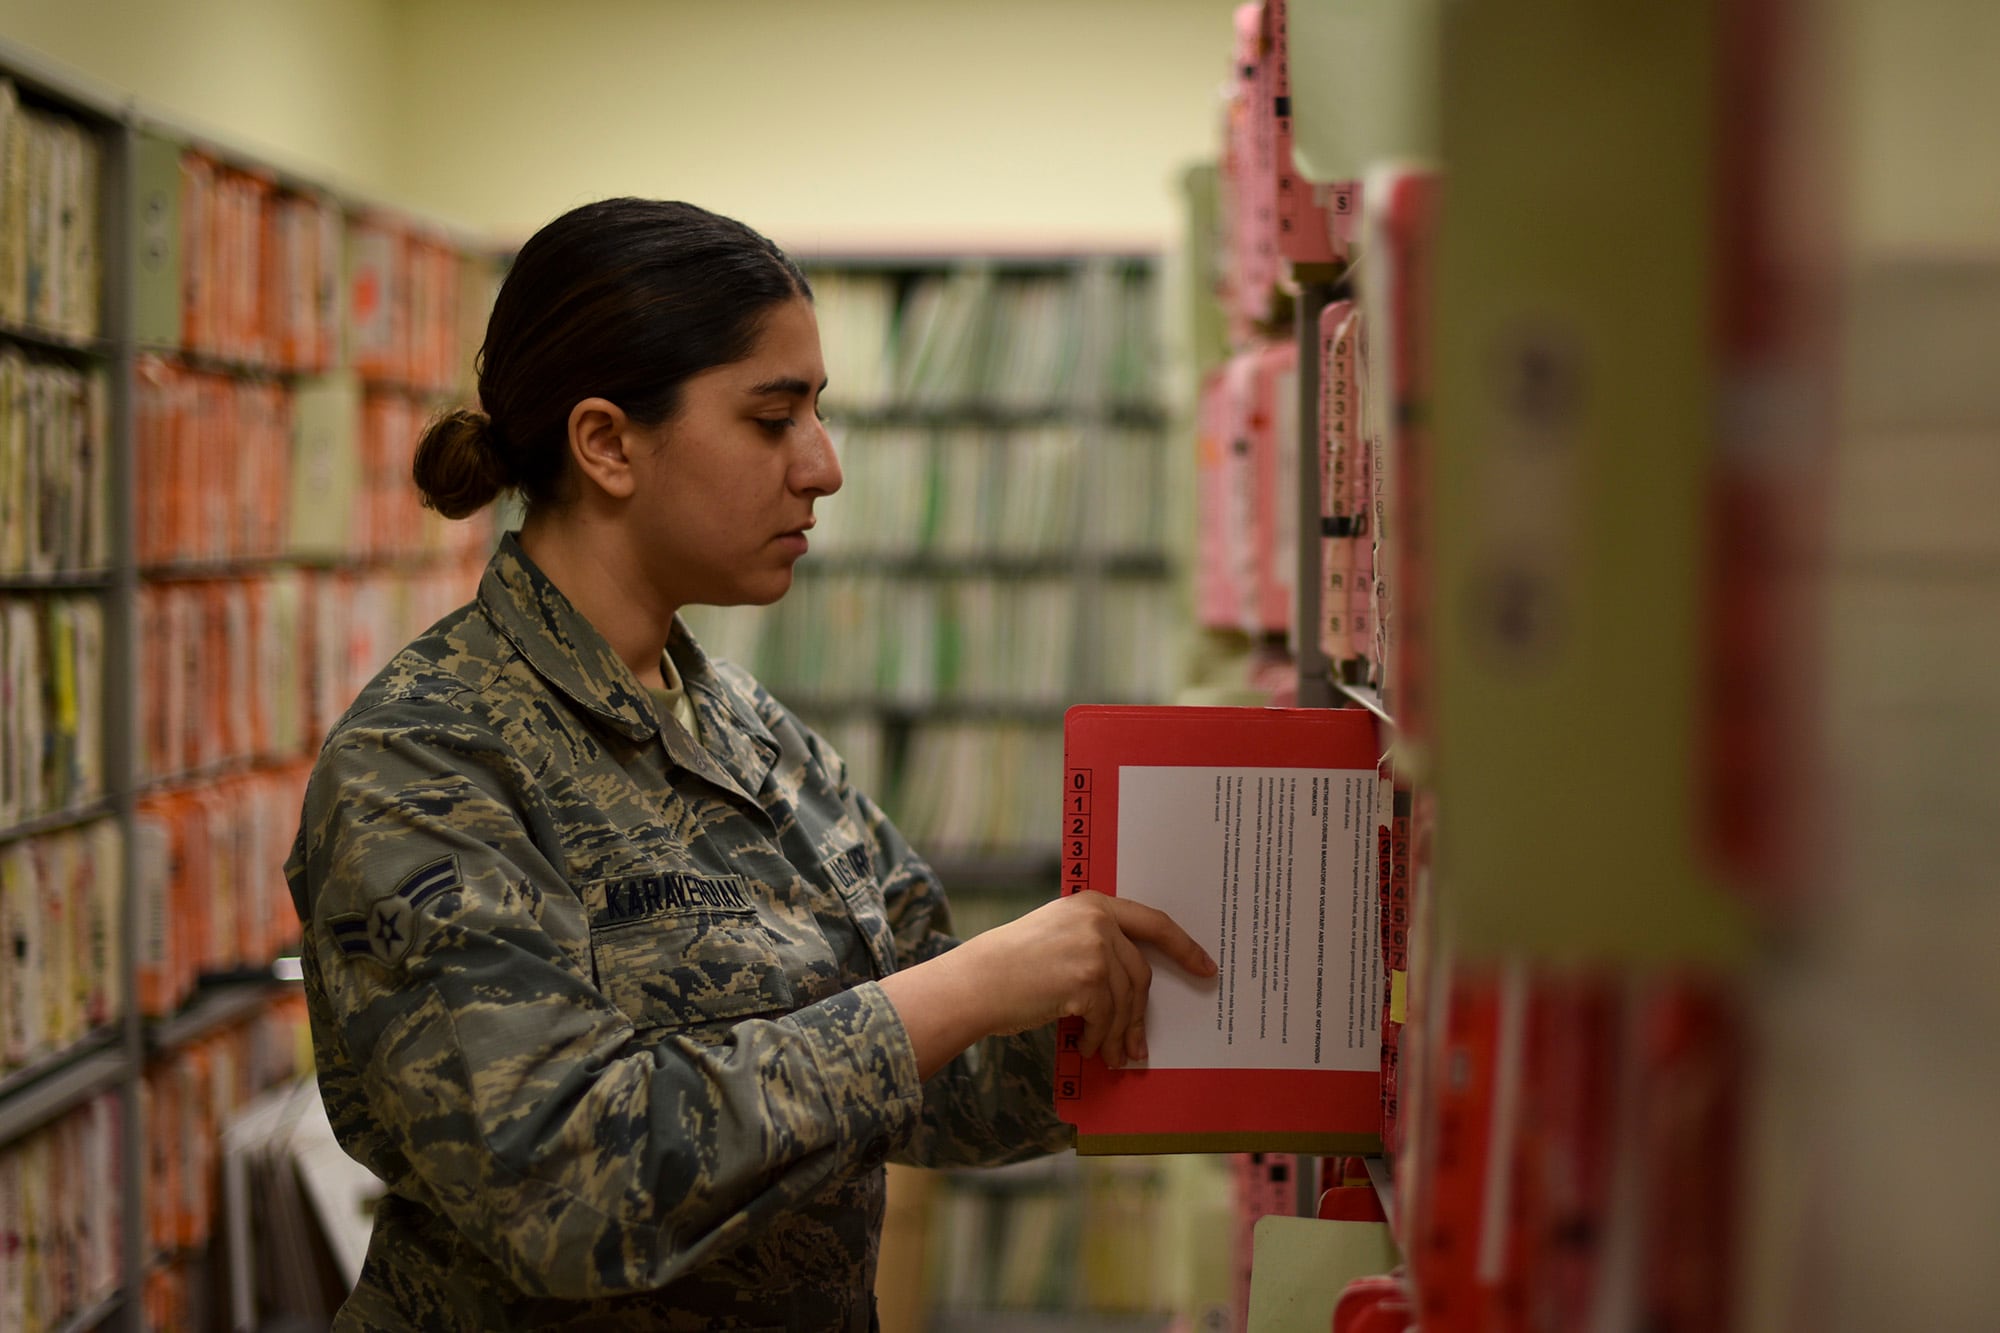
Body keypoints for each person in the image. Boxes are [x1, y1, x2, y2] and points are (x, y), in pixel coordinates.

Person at [285, 197, 1215, 1332]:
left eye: (816, 413)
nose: (821, 468)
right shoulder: (426, 757)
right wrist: (960, 991)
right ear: (607, 443)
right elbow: (563, 1186)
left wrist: (1199, 1008)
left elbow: (934, 1087)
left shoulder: (750, 732)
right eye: (773, 419)